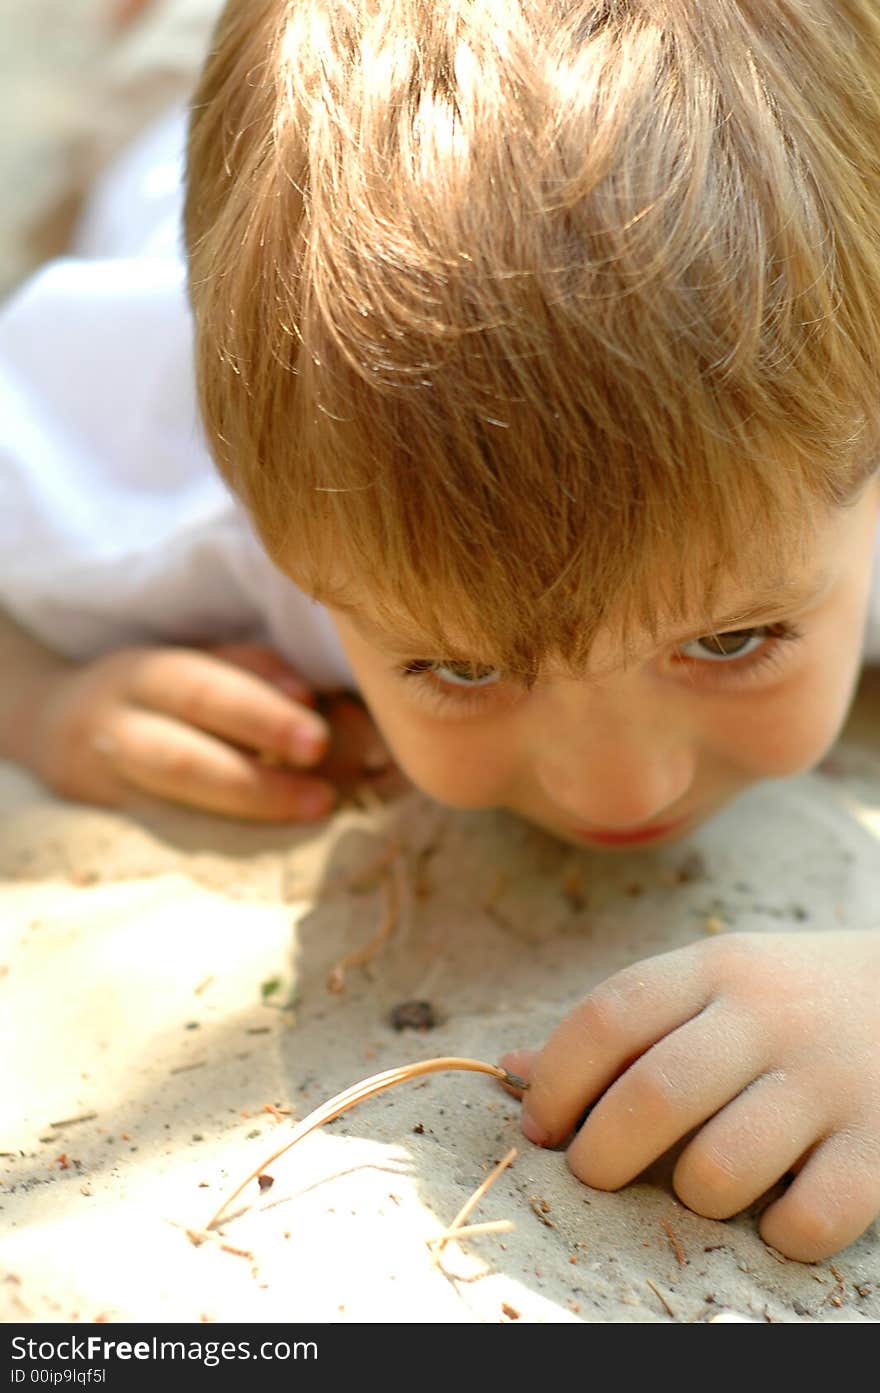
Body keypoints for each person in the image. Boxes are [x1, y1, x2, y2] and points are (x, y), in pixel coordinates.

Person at [2, 0, 879, 1264]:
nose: (619, 784)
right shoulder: (154, 493)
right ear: (279, 547)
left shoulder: (818, 433)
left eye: (733, 640)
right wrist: (40, 693)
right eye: (463, 666)